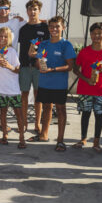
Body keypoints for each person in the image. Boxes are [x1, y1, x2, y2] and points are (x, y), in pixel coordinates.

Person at [29, 16, 76, 152]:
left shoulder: (66, 45)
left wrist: (52, 69)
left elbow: (69, 66)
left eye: (57, 26)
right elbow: (38, 62)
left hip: (59, 85)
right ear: (48, 28)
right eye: (51, 27)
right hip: (44, 83)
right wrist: (40, 65)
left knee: (61, 110)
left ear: (63, 28)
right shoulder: (43, 44)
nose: (54, 29)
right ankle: (44, 135)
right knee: (46, 108)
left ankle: (60, 141)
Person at [72, 22, 102, 153]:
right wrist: (86, 79)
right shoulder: (84, 51)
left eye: (99, 33)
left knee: (99, 115)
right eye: (93, 33)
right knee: (85, 114)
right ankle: (83, 139)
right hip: (85, 89)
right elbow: (75, 69)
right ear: (90, 35)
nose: (96, 36)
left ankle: (96, 142)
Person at [18, 0, 50, 136]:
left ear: (39, 11)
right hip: (25, 66)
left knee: (38, 96)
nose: (32, 12)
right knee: (24, 95)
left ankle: (37, 123)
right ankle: (24, 122)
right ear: (27, 11)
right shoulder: (23, 29)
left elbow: (48, 47)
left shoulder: (45, 27)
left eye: (35, 9)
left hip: (40, 66)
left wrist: (40, 58)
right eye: (30, 9)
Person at [0, 27, 25, 148]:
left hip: (13, 89)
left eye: (5, 36)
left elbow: (18, 69)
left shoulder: (12, 51)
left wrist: (9, 66)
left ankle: (22, 138)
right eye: (1, 36)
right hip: (0, 88)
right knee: (2, 113)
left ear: (9, 39)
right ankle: (4, 135)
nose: (2, 38)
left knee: (18, 114)